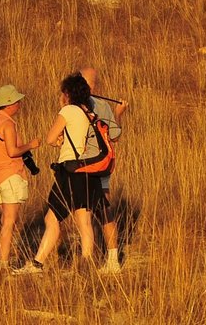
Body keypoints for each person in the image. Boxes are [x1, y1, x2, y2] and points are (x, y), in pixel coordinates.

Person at [14, 73, 104, 274]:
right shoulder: (86, 112)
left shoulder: (69, 110)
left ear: (67, 93)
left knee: (51, 218)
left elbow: (50, 138)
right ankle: (86, 265)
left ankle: (37, 263)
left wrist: (57, 139)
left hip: (69, 172)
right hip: (86, 171)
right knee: (84, 220)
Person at [0, 84, 41, 267]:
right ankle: (3, 263)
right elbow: (13, 151)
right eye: (16, 101)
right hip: (9, 176)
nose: (19, 104)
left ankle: (7, 256)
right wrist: (31, 145)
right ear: (8, 104)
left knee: (6, 220)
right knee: (9, 222)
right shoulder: (7, 124)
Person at [80, 66, 129, 273]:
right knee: (96, 211)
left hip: (88, 166)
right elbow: (115, 135)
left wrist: (116, 114)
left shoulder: (76, 106)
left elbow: (115, 135)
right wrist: (118, 114)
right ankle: (107, 259)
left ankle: (98, 260)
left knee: (92, 211)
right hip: (95, 166)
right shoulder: (99, 106)